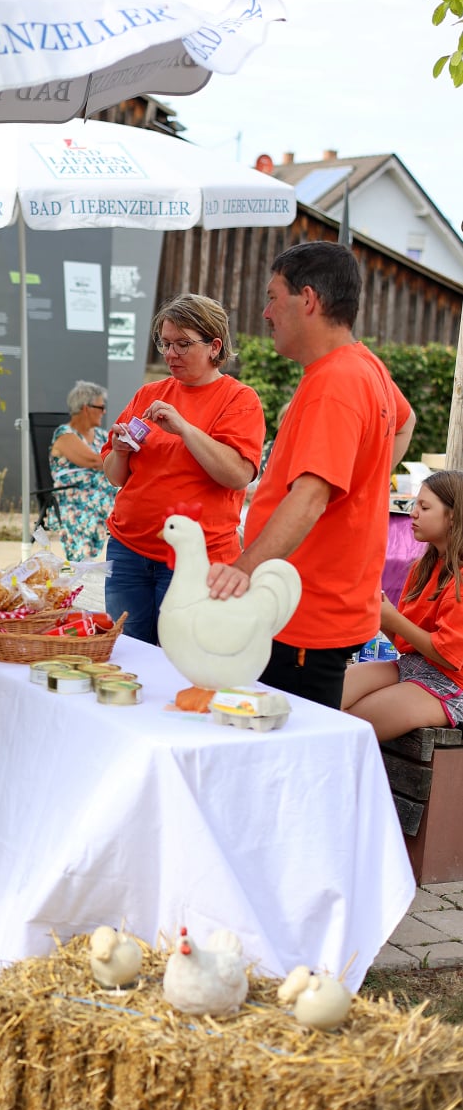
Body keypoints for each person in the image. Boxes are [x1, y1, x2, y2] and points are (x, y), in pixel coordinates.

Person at [208, 242, 415, 709]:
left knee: (282, 759)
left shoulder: (336, 380)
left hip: (305, 614)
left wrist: (241, 572)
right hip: (317, 607)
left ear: (308, 299)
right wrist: (365, 484)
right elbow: (405, 421)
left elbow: (309, 500)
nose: (265, 312)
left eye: (272, 297)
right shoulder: (364, 365)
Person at [101, 293, 265, 644]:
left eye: (182, 344)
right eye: (165, 342)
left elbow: (238, 474)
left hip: (196, 560)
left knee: (183, 660)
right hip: (128, 550)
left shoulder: (239, 399)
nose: (170, 353)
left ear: (214, 346)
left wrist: (186, 429)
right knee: (125, 655)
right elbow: (115, 476)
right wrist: (120, 451)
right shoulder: (149, 393)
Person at [342, 472, 463, 740]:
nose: (413, 513)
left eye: (424, 507)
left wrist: (393, 619)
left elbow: (448, 657)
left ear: (453, 516)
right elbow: (405, 645)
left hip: (450, 684)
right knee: (325, 699)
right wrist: (381, 617)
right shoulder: (422, 568)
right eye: (415, 505)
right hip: (410, 666)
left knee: (350, 726)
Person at [48, 381, 115, 561]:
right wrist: (122, 456)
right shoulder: (65, 435)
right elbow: (94, 461)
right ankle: (82, 566)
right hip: (73, 499)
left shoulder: (101, 435)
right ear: (86, 408)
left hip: (102, 497)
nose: (104, 412)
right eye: (101, 407)